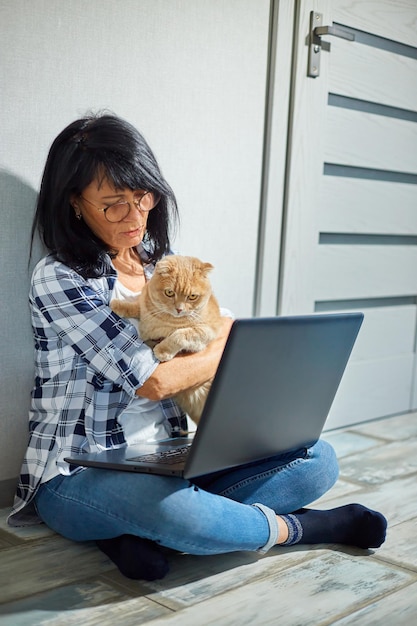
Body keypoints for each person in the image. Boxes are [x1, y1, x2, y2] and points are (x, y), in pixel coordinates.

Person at [9, 114, 387, 580]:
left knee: (317, 459)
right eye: (113, 205)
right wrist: (223, 339)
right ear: (75, 204)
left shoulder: (163, 269)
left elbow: (226, 335)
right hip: (77, 472)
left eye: (142, 197)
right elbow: (155, 379)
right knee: (166, 508)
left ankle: (142, 534)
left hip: (171, 454)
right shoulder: (60, 277)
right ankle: (302, 528)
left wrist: (226, 341)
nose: (134, 217)